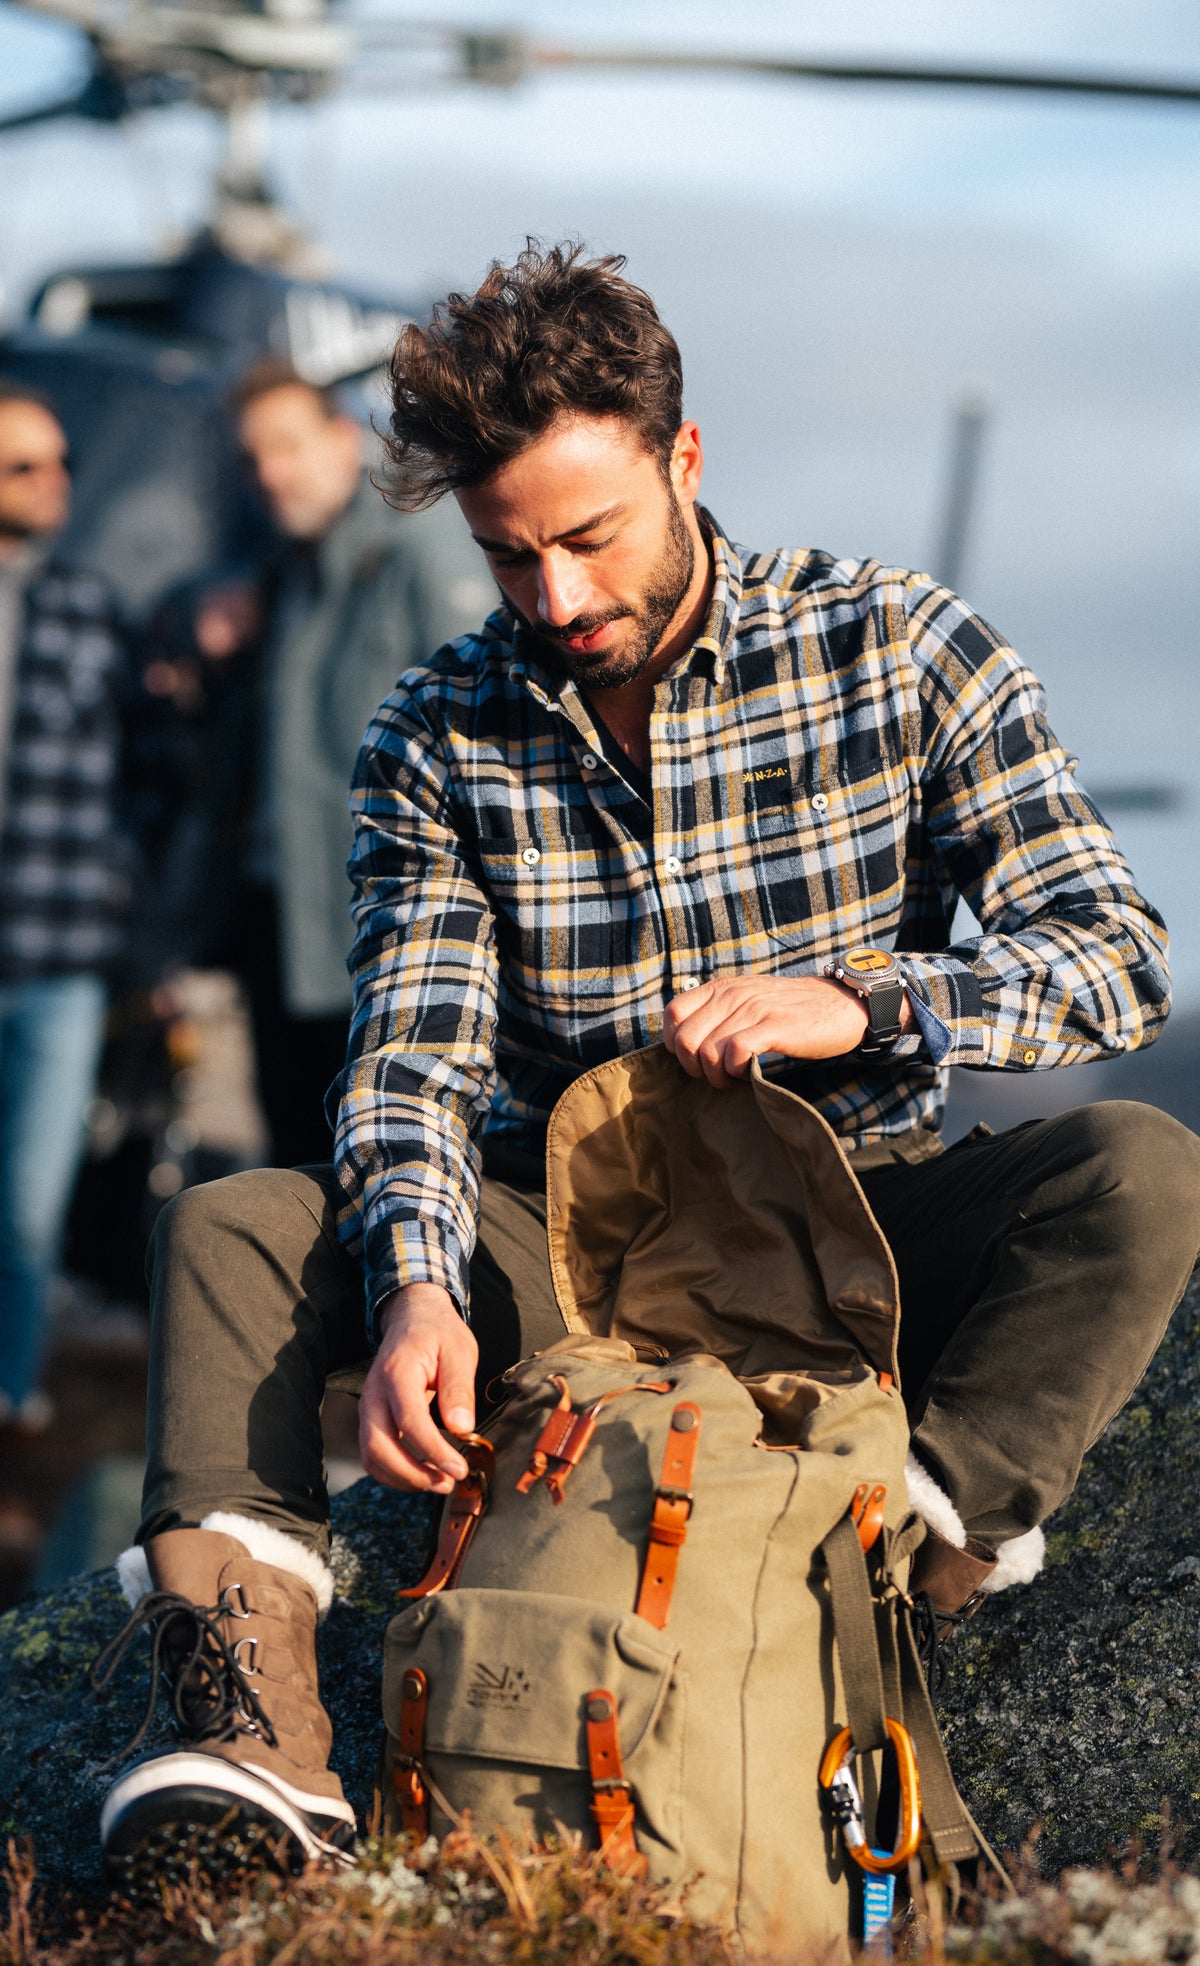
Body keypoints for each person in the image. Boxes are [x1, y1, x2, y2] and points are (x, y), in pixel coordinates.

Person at [95, 244, 1200, 1880]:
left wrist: (869, 1001)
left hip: (864, 1229)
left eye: (589, 537)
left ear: (684, 459)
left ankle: (913, 1547)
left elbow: (1116, 954)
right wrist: (410, 1288)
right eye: (507, 555)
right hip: (557, 1244)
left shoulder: (899, 645)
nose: (555, 599)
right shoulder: (434, 730)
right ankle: (253, 1731)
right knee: (236, 1222)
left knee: (1139, 1167)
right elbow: (412, 1052)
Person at [205, 360, 492, 1168]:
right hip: (284, 919)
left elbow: (483, 733)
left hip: (384, 923)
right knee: (293, 1169)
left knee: (379, 1168)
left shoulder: (422, 553)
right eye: (251, 458)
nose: (269, 474)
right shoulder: (281, 569)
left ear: (342, 441)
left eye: (287, 448)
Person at [0, 384, 131, 1430]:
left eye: (56, 465)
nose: (51, 485)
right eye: (23, 467)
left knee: (31, 1201)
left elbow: (153, 771)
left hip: (58, 956)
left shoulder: (94, 609)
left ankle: (12, 1390)